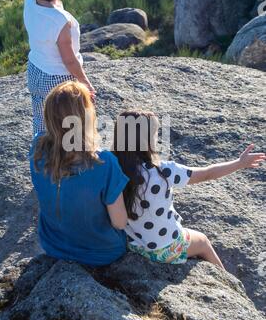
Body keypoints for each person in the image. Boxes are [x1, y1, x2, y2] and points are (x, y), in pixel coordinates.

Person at [112, 110, 265, 269]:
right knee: (203, 241)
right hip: (164, 248)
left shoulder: (112, 167)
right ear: (148, 139)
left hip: (132, 244)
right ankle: (228, 282)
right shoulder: (164, 170)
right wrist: (239, 163)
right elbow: (207, 174)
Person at [28, 81, 128, 267]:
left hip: (52, 246)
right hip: (102, 254)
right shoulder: (105, 162)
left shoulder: (37, 148)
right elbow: (120, 223)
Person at [24, 0, 96, 136]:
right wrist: (84, 81)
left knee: (42, 119)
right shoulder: (60, 20)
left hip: (35, 70)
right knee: (67, 124)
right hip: (58, 78)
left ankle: (40, 153)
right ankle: (67, 158)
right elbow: (69, 59)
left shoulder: (30, 0)